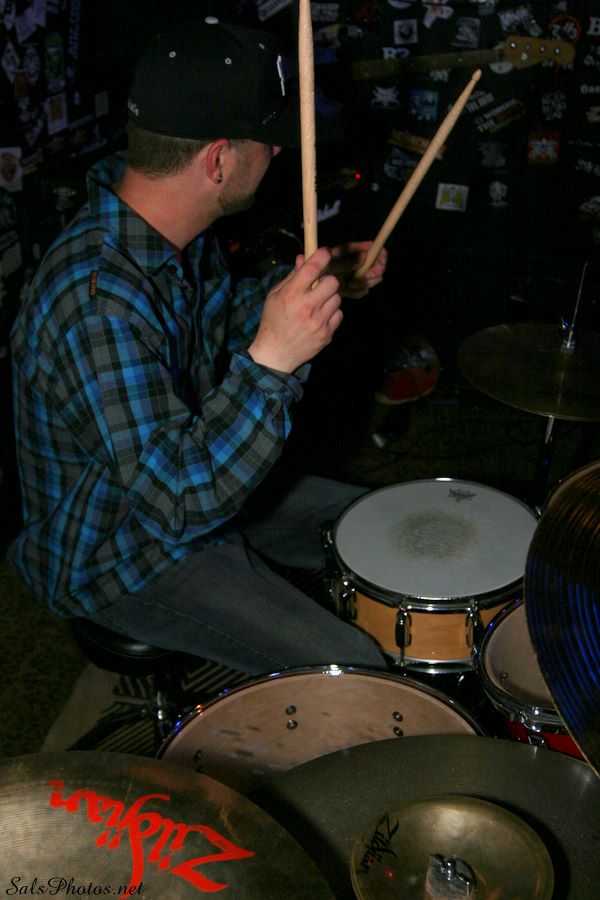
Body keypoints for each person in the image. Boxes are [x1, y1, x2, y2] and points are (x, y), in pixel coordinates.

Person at [9, 17, 388, 675]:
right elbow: (180, 505)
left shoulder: (166, 229)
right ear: (217, 160)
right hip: (120, 552)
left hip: (194, 471)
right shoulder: (97, 305)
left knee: (381, 527)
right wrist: (273, 363)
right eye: (269, 141)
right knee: (354, 670)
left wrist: (306, 290)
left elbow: (222, 317)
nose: (278, 154)